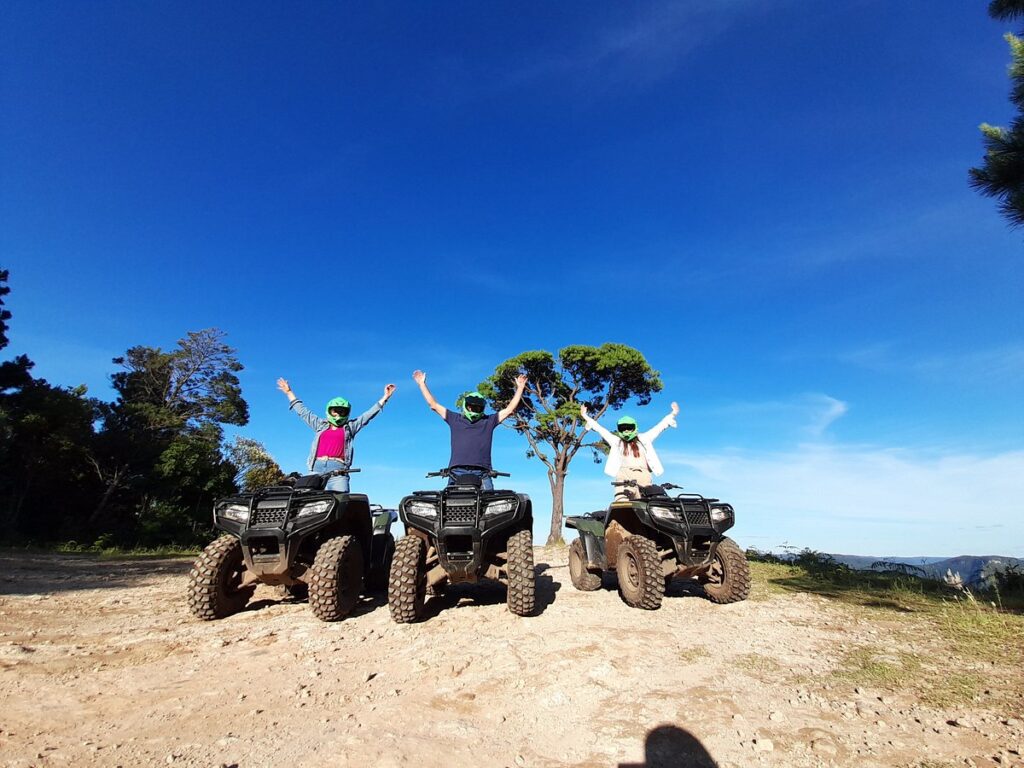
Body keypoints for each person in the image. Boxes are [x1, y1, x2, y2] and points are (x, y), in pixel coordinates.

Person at [412, 369, 527, 491]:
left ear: (482, 408)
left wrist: (520, 387)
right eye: (471, 406)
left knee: (491, 507)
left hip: (483, 473)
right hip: (456, 472)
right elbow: (433, 405)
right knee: (449, 505)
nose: (474, 409)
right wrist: (422, 384)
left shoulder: (489, 421)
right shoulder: (454, 418)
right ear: (466, 406)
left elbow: (509, 410)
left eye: (478, 407)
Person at [276, 377, 396, 492]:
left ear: (347, 413)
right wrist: (289, 392)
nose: (338, 415)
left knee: (340, 502)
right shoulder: (320, 425)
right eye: (335, 411)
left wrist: (385, 397)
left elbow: (368, 415)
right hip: (316, 469)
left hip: (338, 471)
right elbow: (303, 411)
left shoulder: (350, 427)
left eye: (342, 411)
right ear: (329, 411)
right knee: (308, 503)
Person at [580, 401, 680, 501]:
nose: (626, 431)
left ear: (634, 427)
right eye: (623, 428)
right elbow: (600, 429)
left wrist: (673, 413)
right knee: (622, 504)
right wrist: (585, 415)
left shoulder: (644, 438)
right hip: (624, 477)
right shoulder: (616, 441)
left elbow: (660, 427)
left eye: (629, 428)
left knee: (646, 507)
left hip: (644, 477)